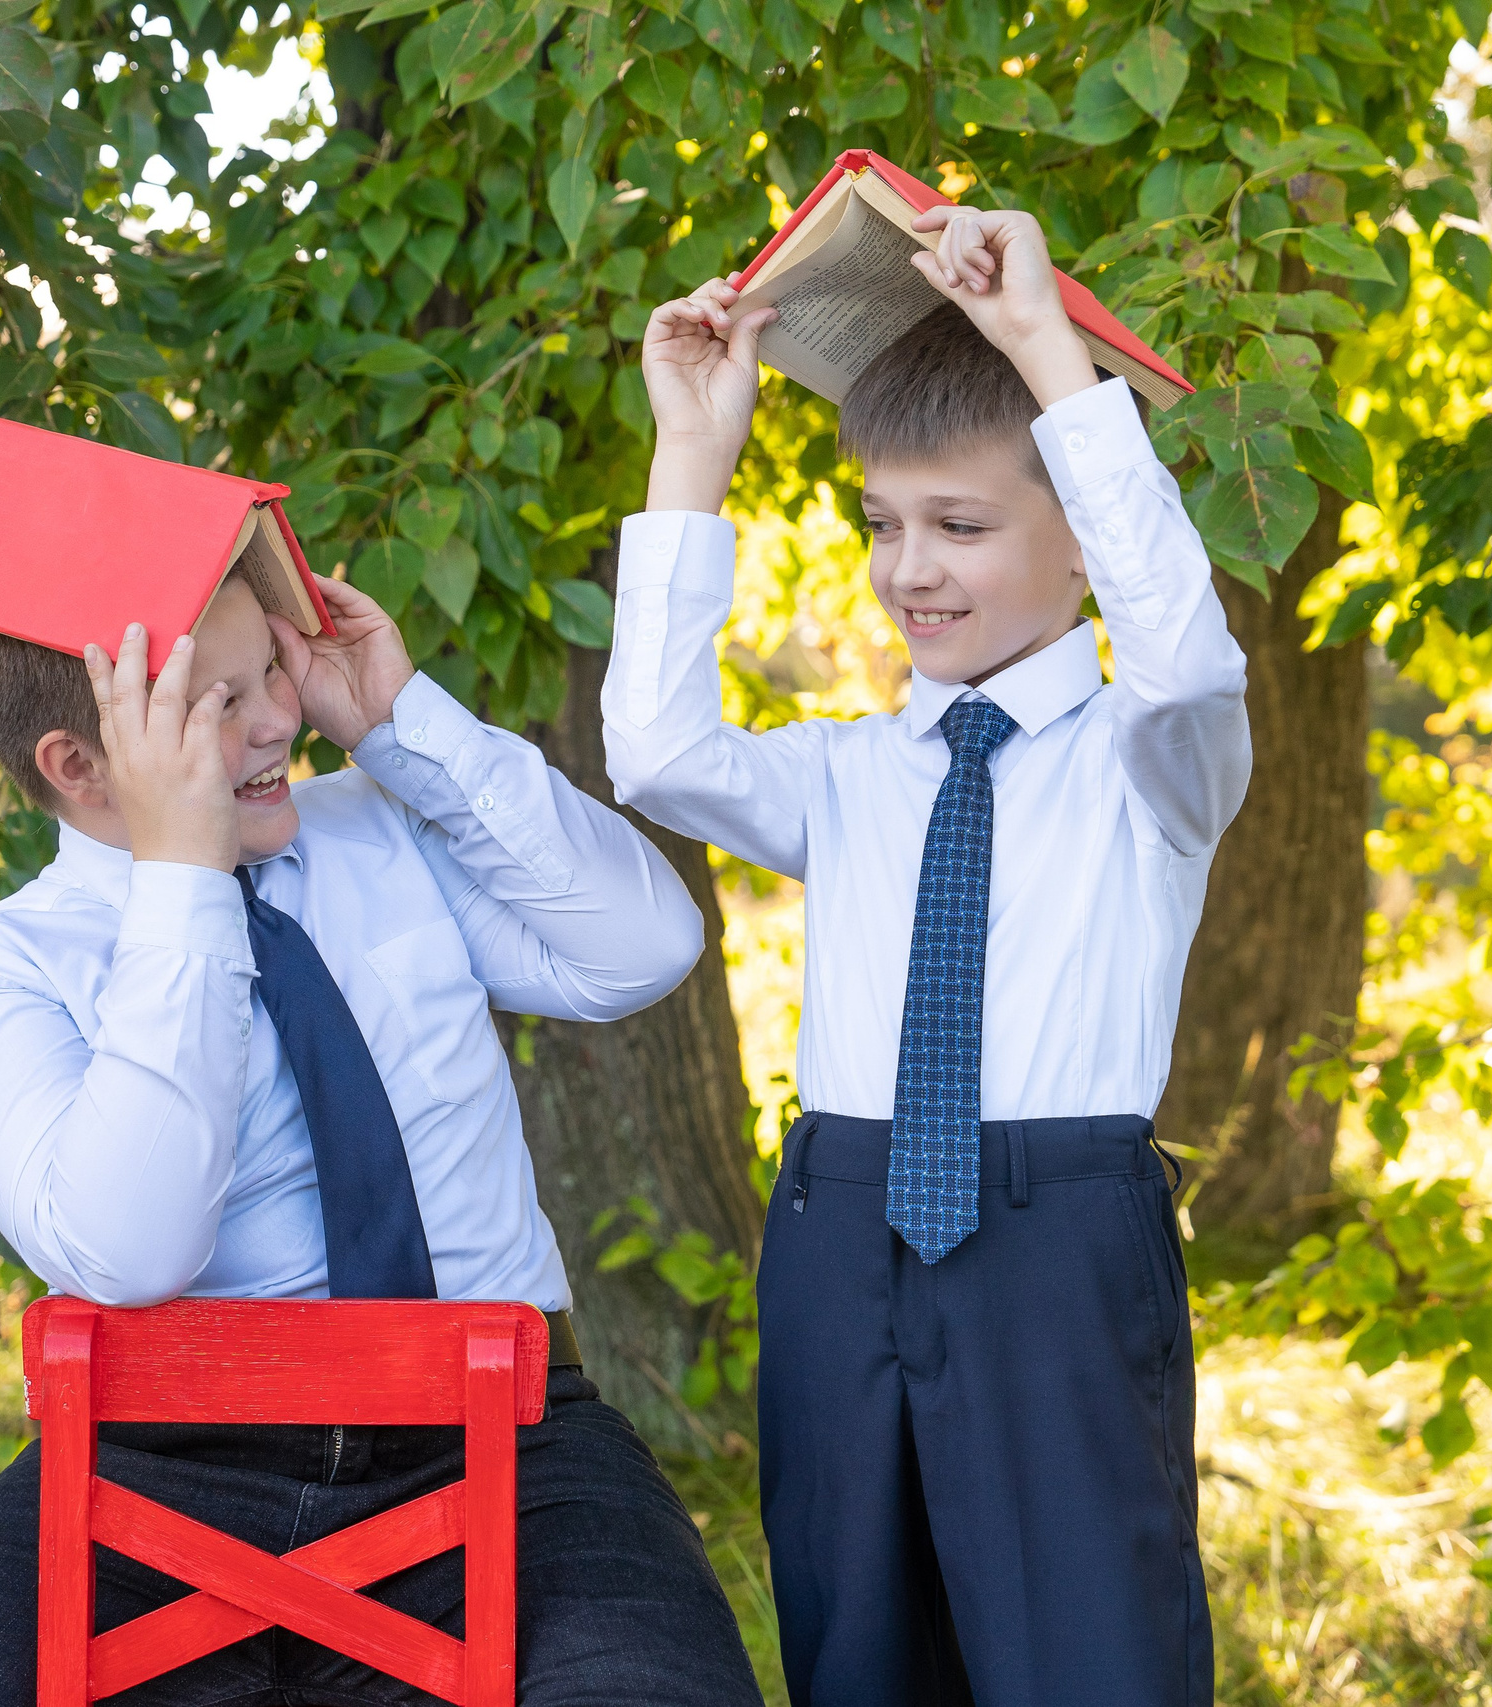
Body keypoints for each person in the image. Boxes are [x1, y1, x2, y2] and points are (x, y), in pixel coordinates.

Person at [0, 570, 764, 1706]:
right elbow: (134, 1250)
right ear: (80, 767)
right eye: (219, 705)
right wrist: (184, 881)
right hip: (157, 1473)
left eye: (272, 675)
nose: (280, 721)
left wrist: (398, 721)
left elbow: (639, 946)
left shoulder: (380, 830)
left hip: (509, 1446)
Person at [607, 205, 1248, 1705]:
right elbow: (659, 749)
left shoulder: (1152, 767)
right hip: (841, 1224)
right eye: (885, 524)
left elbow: (1188, 657)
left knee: (1089, 1649)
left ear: (1085, 546)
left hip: (1058, 1242)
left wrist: (1046, 350)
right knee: (858, 1643)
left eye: (961, 524)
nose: (913, 570)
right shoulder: (850, 774)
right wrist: (693, 457)